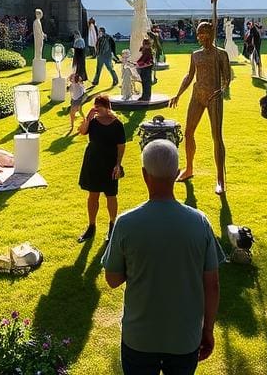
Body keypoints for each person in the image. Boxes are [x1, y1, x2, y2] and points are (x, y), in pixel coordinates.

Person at [103, 139, 226, 374]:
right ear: (178, 173)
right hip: (185, 338)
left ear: (144, 175)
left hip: (139, 338)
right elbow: (213, 285)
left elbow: (113, 279)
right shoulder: (200, 223)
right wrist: (207, 329)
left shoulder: (126, 224)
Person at [170, 21, 232, 193]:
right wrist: (178, 94)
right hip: (197, 96)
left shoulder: (221, 54)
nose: (202, 37)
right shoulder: (195, 54)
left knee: (216, 136)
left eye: (206, 33)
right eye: (200, 34)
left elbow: (227, 77)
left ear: (212, 35)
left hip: (214, 97)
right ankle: (189, 168)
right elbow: (190, 76)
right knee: (188, 132)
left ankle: (220, 179)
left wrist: (222, 90)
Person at [77, 94, 126, 243]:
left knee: (111, 195)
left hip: (110, 163)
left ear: (107, 107)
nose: (96, 109)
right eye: (95, 106)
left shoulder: (117, 124)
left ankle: (112, 225)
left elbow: (121, 146)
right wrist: (88, 118)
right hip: (93, 162)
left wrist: (118, 164)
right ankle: (91, 226)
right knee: (93, 195)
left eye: (99, 106)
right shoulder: (93, 122)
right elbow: (82, 131)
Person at [136, 38, 154, 102]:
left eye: (146, 44)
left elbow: (149, 62)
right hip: (144, 69)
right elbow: (142, 59)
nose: (144, 45)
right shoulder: (145, 50)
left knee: (146, 84)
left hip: (147, 70)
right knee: (144, 83)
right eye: (144, 44)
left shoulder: (149, 51)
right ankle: (144, 96)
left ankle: (146, 97)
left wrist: (141, 64)